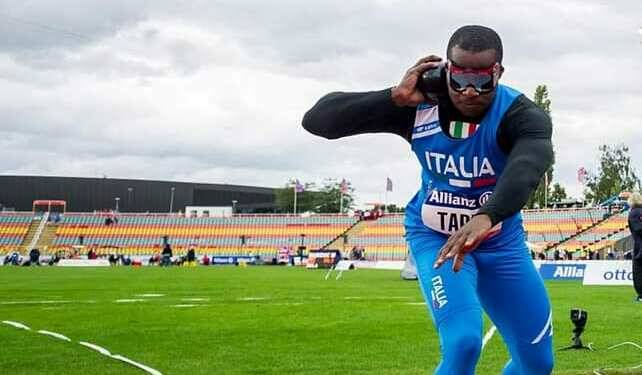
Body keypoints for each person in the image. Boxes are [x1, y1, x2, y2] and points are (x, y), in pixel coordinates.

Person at [303, 25, 554, 374]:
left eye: (482, 81)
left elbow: (528, 166)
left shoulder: (521, 115)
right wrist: (392, 97)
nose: (469, 91)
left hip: (500, 242)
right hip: (437, 240)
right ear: (444, 70)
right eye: (459, 78)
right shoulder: (416, 107)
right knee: (464, 343)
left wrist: (487, 216)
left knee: (538, 363)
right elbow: (317, 121)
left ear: (499, 72)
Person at [627, 192, 642, 302]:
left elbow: (638, 229)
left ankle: (641, 294)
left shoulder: (634, 213)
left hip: (640, 247)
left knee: (638, 272)